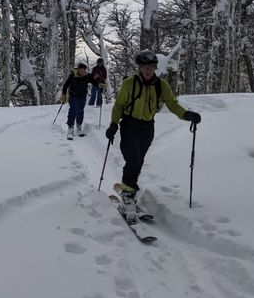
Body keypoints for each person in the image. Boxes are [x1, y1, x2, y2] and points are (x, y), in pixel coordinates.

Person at [104, 49, 201, 214]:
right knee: (133, 159)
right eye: (145, 67)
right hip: (130, 125)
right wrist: (113, 124)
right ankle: (128, 193)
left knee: (139, 160)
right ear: (139, 68)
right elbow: (118, 106)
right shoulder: (129, 83)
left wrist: (187, 115)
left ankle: (130, 186)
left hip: (148, 127)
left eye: (152, 67)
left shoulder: (161, 85)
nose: (148, 71)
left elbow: (172, 104)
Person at [60, 63, 104, 139]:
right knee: (73, 110)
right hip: (73, 96)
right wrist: (64, 95)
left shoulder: (87, 76)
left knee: (80, 111)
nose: (82, 72)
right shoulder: (73, 75)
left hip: (82, 97)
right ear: (78, 70)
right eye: (81, 71)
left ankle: (79, 126)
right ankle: (70, 128)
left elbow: (94, 82)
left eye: (84, 71)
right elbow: (65, 85)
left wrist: (100, 85)